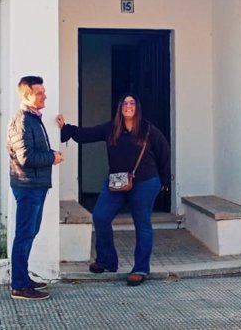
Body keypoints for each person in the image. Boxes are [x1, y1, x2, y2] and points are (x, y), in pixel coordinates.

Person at [56, 94, 171, 286]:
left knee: (142, 223)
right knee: (100, 216)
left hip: (145, 182)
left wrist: (164, 179)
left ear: (137, 107)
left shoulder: (148, 130)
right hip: (117, 182)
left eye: (132, 103)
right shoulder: (111, 128)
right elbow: (87, 134)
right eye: (125, 103)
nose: (128, 106)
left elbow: (164, 151)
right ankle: (107, 261)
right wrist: (65, 128)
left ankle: (140, 268)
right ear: (120, 107)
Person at [7, 75, 64, 300]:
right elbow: (25, 157)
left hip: (35, 186)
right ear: (27, 95)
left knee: (29, 233)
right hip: (28, 186)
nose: (44, 96)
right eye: (40, 93)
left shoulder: (32, 119)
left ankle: (23, 279)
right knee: (24, 234)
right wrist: (52, 157)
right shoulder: (22, 121)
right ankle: (19, 286)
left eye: (44, 92)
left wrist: (50, 155)